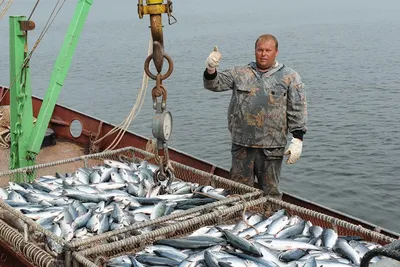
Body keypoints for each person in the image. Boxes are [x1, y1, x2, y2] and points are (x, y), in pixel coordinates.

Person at [203, 34, 307, 199]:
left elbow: (297, 109)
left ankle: (270, 220)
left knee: (270, 193)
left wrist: (298, 140)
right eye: (260, 50)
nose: (263, 54)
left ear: (276, 52)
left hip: (271, 148)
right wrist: (210, 68)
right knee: (239, 193)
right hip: (242, 145)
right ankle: (238, 221)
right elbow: (213, 84)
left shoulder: (290, 77)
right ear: (255, 51)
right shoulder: (240, 73)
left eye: (268, 50)